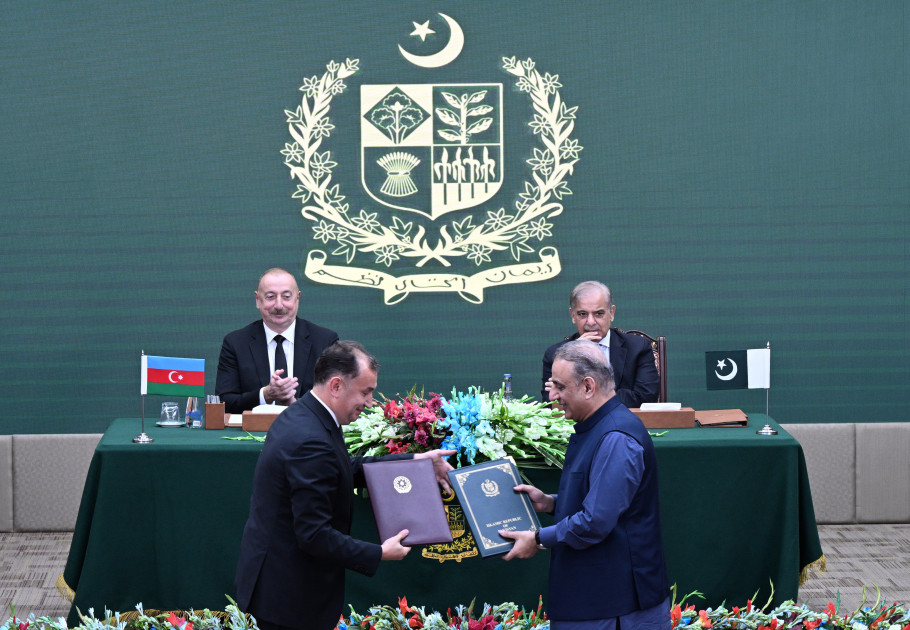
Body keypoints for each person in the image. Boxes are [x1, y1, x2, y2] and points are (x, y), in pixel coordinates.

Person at [235, 340, 455, 630]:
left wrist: (416, 462)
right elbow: (313, 534)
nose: (370, 402)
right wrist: (379, 553)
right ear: (336, 386)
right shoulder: (310, 438)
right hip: (290, 597)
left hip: (284, 585)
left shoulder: (308, 415)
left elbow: (343, 469)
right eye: (365, 392)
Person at [502, 340, 670, 629]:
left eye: (559, 386)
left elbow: (595, 522)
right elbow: (603, 500)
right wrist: (550, 502)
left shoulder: (616, 438)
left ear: (588, 386)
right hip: (596, 597)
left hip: (614, 606)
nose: (552, 395)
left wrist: (538, 539)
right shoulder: (598, 426)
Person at [216, 268, 339, 413]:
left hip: (307, 426)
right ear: (258, 300)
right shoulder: (236, 343)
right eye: (270, 297)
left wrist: (295, 404)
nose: (279, 305)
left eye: (286, 297)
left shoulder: (325, 341)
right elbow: (224, 402)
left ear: (297, 298)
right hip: (254, 426)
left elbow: (336, 398)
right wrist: (265, 395)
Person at [542, 281, 659, 409]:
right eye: (582, 314)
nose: (591, 322)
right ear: (573, 315)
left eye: (598, 313)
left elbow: (645, 398)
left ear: (611, 313)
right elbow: (550, 405)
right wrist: (575, 355)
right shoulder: (555, 355)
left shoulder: (637, 348)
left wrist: (576, 392)